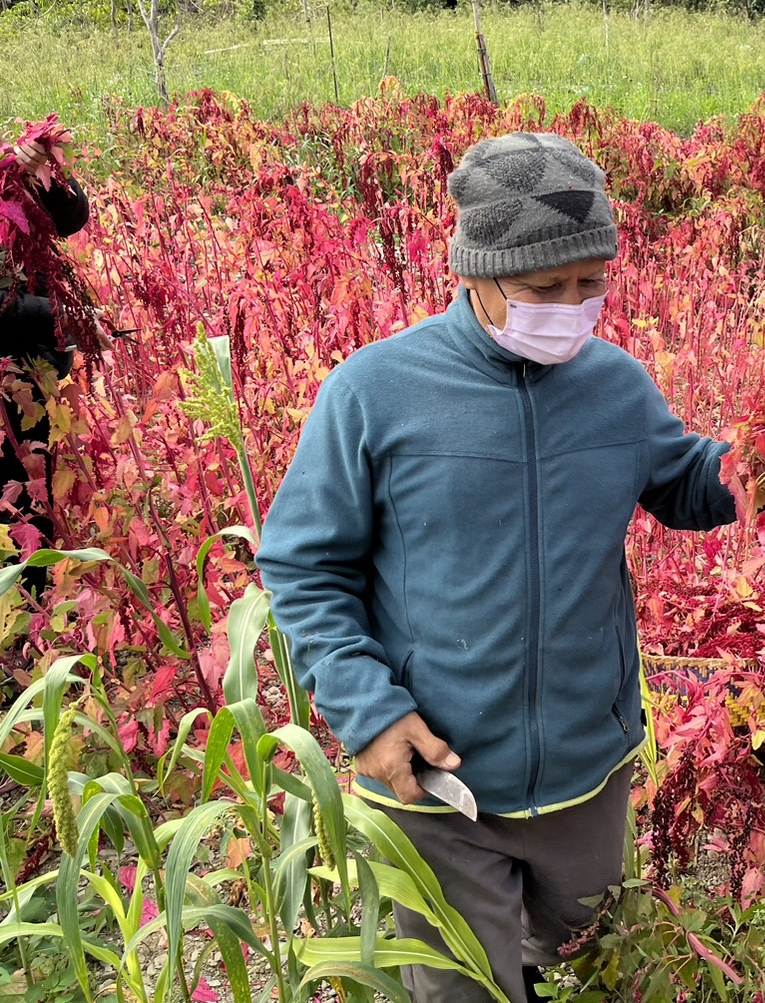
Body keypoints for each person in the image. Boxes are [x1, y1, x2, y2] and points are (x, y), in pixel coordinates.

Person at [255, 132, 738, 1003]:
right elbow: (304, 564)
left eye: (592, 284)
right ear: (472, 274)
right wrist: (368, 712)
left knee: (584, 952)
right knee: (464, 990)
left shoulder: (615, 386)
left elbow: (686, 486)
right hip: (437, 773)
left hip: (586, 766)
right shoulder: (373, 392)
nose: (573, 307)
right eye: (543, 287)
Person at [1, 130, 90, 562]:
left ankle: (34, 614)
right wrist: (55, 316)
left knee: (31, 502)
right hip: (11, 365)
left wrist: (41, 174)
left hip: (29, 370)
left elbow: (70, 217)